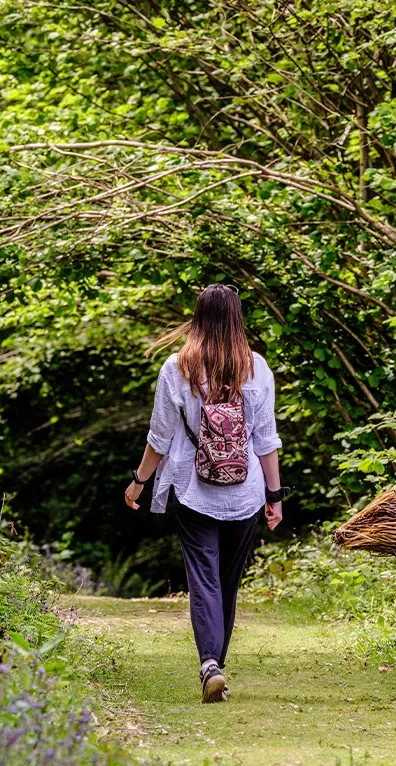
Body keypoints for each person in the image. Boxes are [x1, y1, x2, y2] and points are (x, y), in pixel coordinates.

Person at [123, 284, 288, 703]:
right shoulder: (258, 369)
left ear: (198, 318)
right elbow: (266, 440)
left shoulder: (177, 368)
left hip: (193, 491)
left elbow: (159, 439)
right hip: (246, 493)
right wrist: (275, 496)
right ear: (237, 320)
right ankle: (217, 664)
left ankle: (210, 664)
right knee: (227, 583)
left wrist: (139, 481)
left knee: (204, 580)